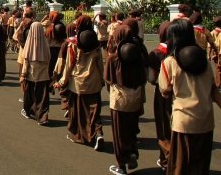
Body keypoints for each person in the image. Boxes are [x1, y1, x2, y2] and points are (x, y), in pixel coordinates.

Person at [159, 19, 221, 174]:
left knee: (179, 166)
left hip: (183, 122)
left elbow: (164, 90)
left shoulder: (169, 62)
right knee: (200, 167)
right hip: (206, 121)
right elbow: (214, 92)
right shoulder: (204, 62)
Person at [54, 15, 105, 151]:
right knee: (94, 111)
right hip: (94, 82)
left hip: (77, 83)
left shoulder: (74, 44)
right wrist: (102, 80)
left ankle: (78, 135)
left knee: (77, 111)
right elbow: (100, 65)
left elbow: (69, 66)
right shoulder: (96, 44)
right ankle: (98, 133)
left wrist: (61, 81)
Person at [105, 25, 148, 175]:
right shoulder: (139, 55)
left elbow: (109, 81)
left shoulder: (113, 58)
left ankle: (121, 165)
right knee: (131, 127)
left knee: (119, 132)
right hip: (136, 96)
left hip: (119, 99)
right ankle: (132, 152)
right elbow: (144, 77)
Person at [147, 21, 172, 171]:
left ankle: (166, 159)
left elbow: (151, 78)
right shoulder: (182, 52)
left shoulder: (156, 53)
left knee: (164, 126)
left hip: (162, 93)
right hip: (183, 94)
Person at [19, 22, 52, 125]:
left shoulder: (29, 43)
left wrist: (23, 75)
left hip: (31, 74)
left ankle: (29, 111)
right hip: (43, 75)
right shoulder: (45, 43)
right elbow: (49, 58)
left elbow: (26, 60)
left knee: (30, 95)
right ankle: (43, 117)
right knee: (42, 97)